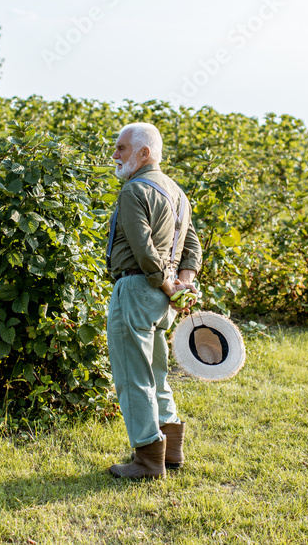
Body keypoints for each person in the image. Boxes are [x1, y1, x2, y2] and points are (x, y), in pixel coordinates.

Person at [105, 122, 201, 480]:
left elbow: (145, 253)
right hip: (162, 303)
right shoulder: (177, 193)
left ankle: (147, 459)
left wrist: (168, 286)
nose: (115, 155)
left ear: (144, 153)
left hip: (137, 290)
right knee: (157, 372)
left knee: (134, 376)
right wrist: (181, 286)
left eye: (121, 148)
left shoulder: (134, 191)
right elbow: (192, 248)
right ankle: (171, 449)